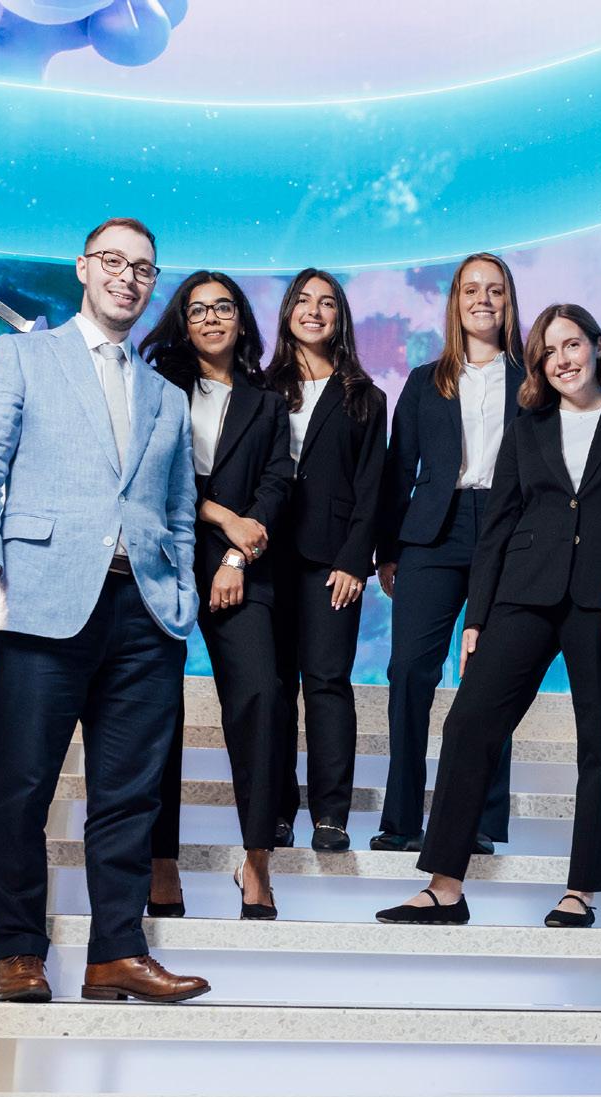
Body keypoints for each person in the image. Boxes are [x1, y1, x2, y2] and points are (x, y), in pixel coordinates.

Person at [0, 218, 210, 1005]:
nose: (128, 277)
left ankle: (116, 954)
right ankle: (18, 954)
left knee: (130, 796)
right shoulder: (22, 355)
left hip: (146, 612)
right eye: (114, 262)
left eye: (143, 268)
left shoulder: (167, 396)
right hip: (41, 599)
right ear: (84, 268)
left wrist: (181, 593)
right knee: (22, 787)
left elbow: (179, 506)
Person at [377, 304, 601, 928]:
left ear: (597, 346)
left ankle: (581, 891)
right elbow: (498, 523)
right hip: (524, 591)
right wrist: (476, 616)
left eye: (572, 345)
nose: (562, 360)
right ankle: (445, 887)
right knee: (469, 723)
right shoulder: (526, 428)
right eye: (548, 352)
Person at [140, 271, 295, 920]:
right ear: (183, 321)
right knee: (156, 708)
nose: (210, 318)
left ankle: (256, 860)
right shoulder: (154, 387)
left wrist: (236, 551)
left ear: (241, 319)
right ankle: (162, 862)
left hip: (242, 564)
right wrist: (221, 516)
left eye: (222, 307)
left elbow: (278, 483)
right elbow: (150, 475)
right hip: (162, 555)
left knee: (260, 694)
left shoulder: (267, 401)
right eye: (197, 309)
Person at [370, 253, 526, 853]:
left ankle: (477, 823)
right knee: (410, 670)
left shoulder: (533, 382)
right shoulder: (423, 381)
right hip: (432, 533)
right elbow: (397, 469)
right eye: (471, 290)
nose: (483, 300)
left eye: (495, 290)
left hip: (508, 533)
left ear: (509, 302)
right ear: (455, 303)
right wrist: (387, 550)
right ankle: (401, 821)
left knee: (489, 679)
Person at [267, 268, 387, 855]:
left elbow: (373, 487)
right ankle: (275, 812)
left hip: (332, 561)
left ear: (340, 318)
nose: (314, 311)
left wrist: (355, 560)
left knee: (327, 683)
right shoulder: (259, 387)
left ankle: (331, 815)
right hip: (265, 555)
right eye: (304, 300)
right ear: (288, 310)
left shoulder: (365, 396)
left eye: (327, 303)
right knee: (272, 687)